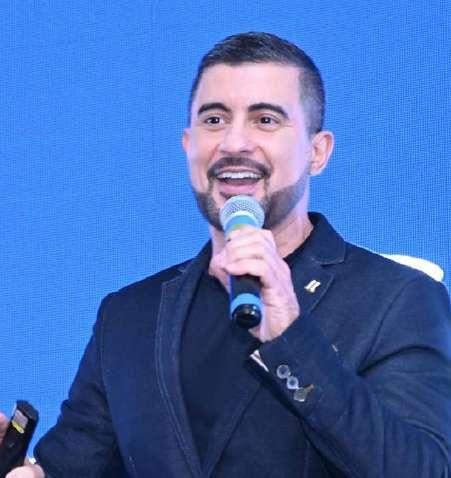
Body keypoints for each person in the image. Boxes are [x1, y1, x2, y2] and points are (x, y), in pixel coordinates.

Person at [2, 32, 451, 477]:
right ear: (188, 144)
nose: (234, 143)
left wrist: (292, 339)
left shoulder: (398, 299)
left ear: (317, 152)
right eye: (214, 120)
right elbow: (72, 465)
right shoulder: (128, 316)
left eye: (265, 120)